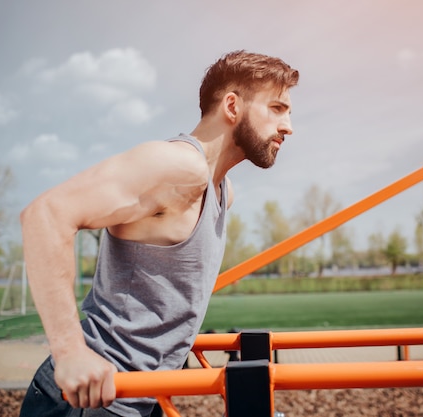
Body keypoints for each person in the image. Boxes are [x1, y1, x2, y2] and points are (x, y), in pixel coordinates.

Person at [19, 50, 299, 417]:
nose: (288, 126)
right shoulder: (179, 166)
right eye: (277, 108)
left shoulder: (222, 192)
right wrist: (70, 352)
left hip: (143, 398)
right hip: (89, 397)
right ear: (232, 105)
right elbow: (45, 215)